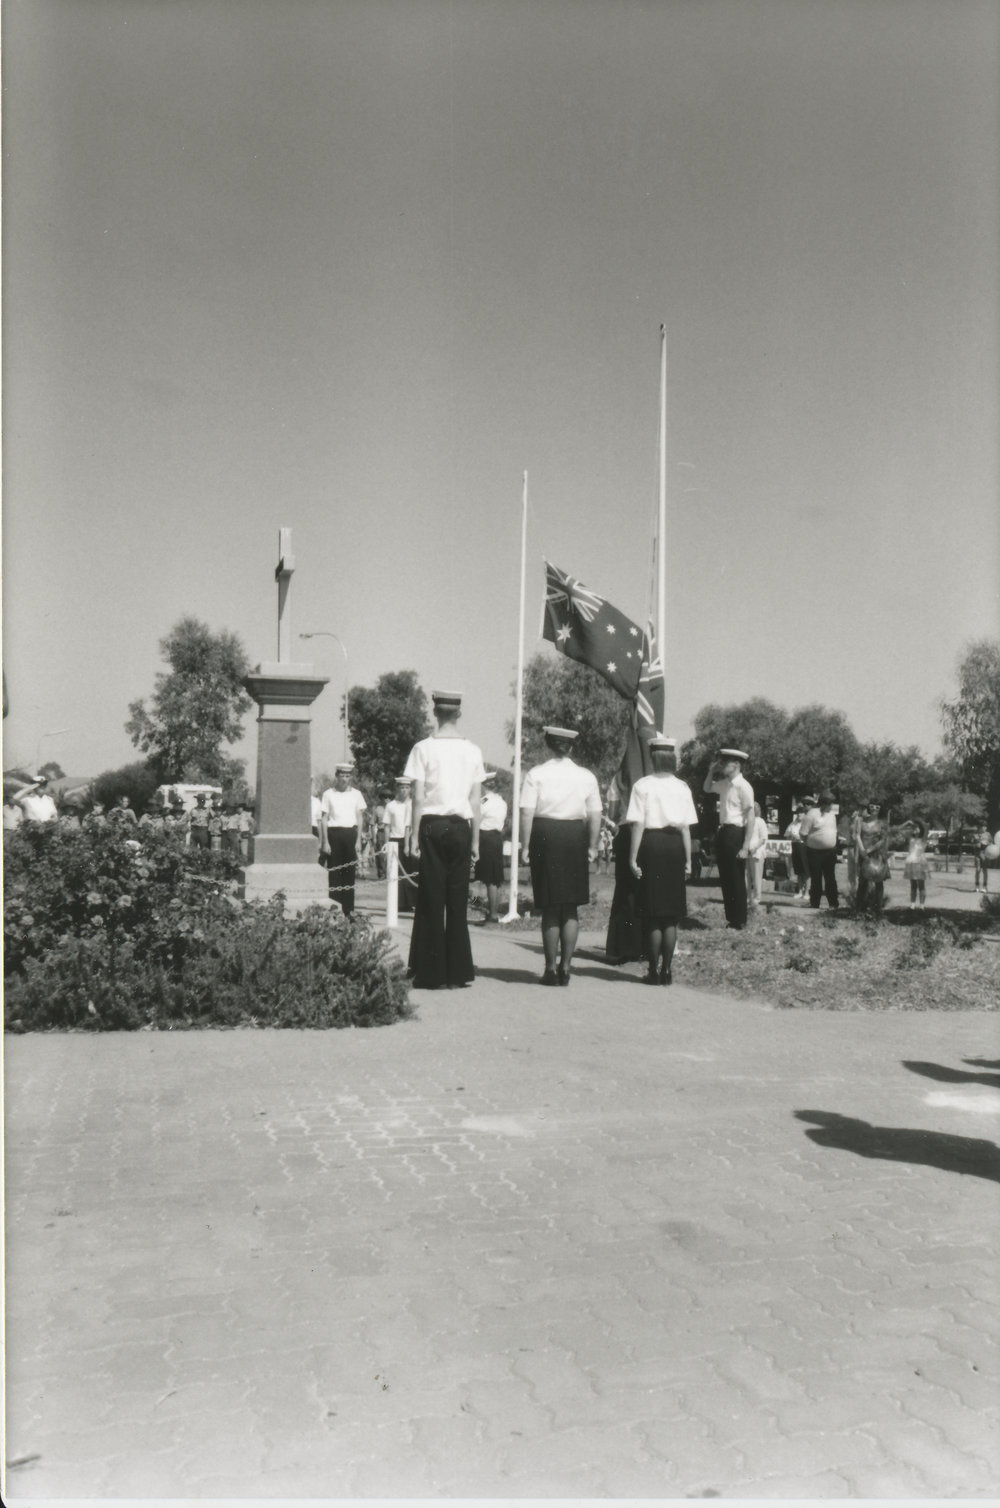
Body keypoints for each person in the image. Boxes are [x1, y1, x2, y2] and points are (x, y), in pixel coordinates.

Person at [405, 690, 485, 989]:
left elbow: (417, 797)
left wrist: (413, 835)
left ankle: (431, 972)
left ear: (435, 713)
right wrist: (475, 839)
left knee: (431, 899)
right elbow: (476, 801)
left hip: (432, 825)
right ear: (458, 714)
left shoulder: (422, 749)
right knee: (457, 900)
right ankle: (458, 972)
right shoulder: (473, 751)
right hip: (461, 826)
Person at [519, 725, 602, 986]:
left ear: (548, 744)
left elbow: (526, 812)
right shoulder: (586, 776)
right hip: (574, 835)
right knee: (570, 906)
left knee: (551, 906)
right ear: (571, 747)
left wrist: (524, 846)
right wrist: (592, 845)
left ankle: (550, 968)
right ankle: (566, 967)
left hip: (545, 834)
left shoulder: (536, 774)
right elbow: (595, 814)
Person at [626, 736, 698, 985]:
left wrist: (632, 857)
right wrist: (688, 860)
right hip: (675, 846)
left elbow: (638, 824)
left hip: (652, 845)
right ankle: (668, 970)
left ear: (653, 757)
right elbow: (686, 828)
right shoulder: (683, 787)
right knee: (671, 915)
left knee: (653, 913)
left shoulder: (643, 785)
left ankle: (653, 970)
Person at [703, 748, 754, 929]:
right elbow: (707, 788)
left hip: (736, 832)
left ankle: (740, 919)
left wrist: (746, 846)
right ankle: (731, 918)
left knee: (736, 877)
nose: (722, 766)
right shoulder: (725, 784)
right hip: (724, 831)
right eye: (721, 763)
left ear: (737, 765)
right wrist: (711, 771)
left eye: (726, 763)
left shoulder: (744, 786)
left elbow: (750, 817)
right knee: (726, 876)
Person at [604, 771, 644, 964]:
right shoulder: (654, 777)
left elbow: (611, 813)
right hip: (651, 833)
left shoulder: (619, 778)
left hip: (627, 831)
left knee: (625, 891)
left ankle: (623, 946)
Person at [318, 764, 367, 917]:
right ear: (337, 776)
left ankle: (348, 909)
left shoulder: (357, 794)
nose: (345, 779)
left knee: (349, 872)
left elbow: (359, 818)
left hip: (350, 834)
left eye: (347, 776)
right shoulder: (328, 794)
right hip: (334, 834)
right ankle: (335, 909)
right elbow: (324, 819)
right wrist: (325, 842)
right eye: (342, 776)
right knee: (334, 872)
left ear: (350, 777)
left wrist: (358, 840)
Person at [475, 771, 508, 924]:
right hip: (497, 838)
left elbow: (475, 818)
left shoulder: (484, 802)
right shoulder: (502, 802)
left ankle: (493, 914)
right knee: (495, 877)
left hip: (486, 838)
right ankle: (493, 912)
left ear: (484, 786)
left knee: (490, 878)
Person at [800, 790, 840, 909]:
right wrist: (812, 843)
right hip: (814, 852)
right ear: (824, 803)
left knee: (830, 878)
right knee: (816, 878)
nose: (831, 807)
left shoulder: (831, 815)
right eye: (830, 804)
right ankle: (814, 903)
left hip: (830, 851)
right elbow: (803, 833)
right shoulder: (812, 814)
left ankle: (833, 903)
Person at [384, 776, 417, 914]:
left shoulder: (413, 804)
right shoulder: (391, 805)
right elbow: (386, 826)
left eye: (406, 787)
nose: (404, 790)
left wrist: (408, 845)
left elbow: (410, 826)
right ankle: (398, 903)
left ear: (410, 789)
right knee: (396, 872)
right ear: (397, 788)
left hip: (409, 840)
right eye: (401, 787)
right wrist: (386, 844)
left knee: (410, 871)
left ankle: (411, 902)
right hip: (394, 839)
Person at [855, 800, 889, 915]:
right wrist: (862, 850)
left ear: (880, 809)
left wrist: (870, 850)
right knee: (862, 880)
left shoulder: (882, 823)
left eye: (877, 806)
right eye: (872, 806)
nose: (874, 808)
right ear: (869, 807)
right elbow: (857, 835)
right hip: (863, 852)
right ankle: (859, 908)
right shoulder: (861, 821)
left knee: (878, 880)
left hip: (876, 853)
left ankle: (877, 908)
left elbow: (882, 840)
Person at [746, 801, 769, 907]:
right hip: (745, 852)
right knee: (746, 877)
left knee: (756, 877)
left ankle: (756, 898)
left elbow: (763, 838)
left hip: (756, 852)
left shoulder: (760, 821)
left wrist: (754, 848)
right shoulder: (745, 821)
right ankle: (747, 897)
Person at [904, 819, 930, 910]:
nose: (915, 830)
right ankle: (912, 904)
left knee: (921, 885)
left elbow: (926, 827)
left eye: (917, 828)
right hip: (911, 862)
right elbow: (900, 830)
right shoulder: (910, 839)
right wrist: (907, 823)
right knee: (913, 884)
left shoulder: (923, 839)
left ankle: (922, 905)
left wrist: (919, 821)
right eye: (913, 828)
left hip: (920, 862)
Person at [785, 804, 808, 898]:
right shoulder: (793, 824)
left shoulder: (806, 824)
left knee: (806, 871)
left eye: (801, 813)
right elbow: (787, 835)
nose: (799, 815)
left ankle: (807, 893)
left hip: (804, 846)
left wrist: (801, 837)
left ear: (804, 814)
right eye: (798, 814)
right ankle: (800, 891)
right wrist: (791, 836)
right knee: (798, 871)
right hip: (795, 846)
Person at [974, 825, 992, 894]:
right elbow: (976, 845)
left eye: (985, 827)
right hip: (977, 854)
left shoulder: (988, 835)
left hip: (985, 855)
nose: (984, 828)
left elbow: (991, 843)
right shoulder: (976, 835)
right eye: (982, 827)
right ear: (980, 827)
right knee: (977, 870)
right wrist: (979, 840)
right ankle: (977, 886)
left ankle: (985, 887)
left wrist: (988, 843)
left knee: (985, 870)